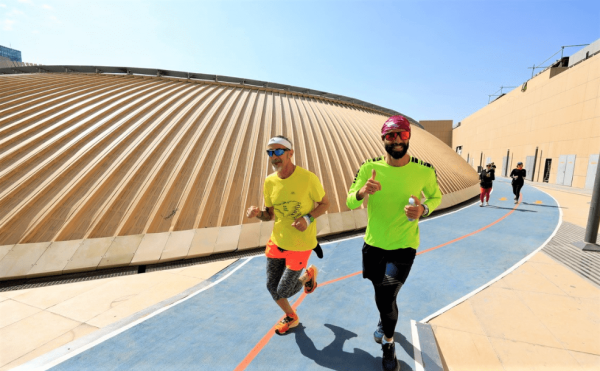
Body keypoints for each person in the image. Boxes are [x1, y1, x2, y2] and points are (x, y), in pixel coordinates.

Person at [346, 115, 442, 371]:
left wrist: (424, 209)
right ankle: (384, 321)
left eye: (402, 134)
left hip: (404, 246)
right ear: (383, 139)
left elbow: (436, 196)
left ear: (409, 136)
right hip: (374, 245)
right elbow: (349, 201)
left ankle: (388, 344)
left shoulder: (424, 169)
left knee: (387, 294)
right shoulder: (369, 168)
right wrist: (363, 192)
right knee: (382, 296)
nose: (397, 140)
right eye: (391, 135)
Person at [246, 135, 330, 335]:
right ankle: (291, 316)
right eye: (270, 152)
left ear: (290, 153)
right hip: (277, 241)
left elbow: (325, 204)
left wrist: (307, 219)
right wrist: (259, 214)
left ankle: (308, 276)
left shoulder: (308, 178)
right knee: (271, 287)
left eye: (278, 151)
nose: (274, 157)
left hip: (300, 244)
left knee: (283, 290)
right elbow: (270, 215)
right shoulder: (270, 181)